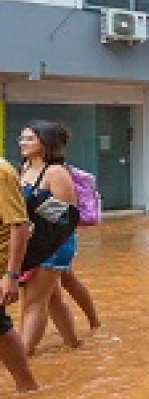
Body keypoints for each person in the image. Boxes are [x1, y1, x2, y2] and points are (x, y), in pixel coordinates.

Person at [18, 122, 83, 356]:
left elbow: (67, 216)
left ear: (45, 144)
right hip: (32, 242)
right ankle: (74, 345)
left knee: (33, 303)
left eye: (29, 139)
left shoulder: (55, 172)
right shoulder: (24, 168)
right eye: (22, 138)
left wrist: (34, 209)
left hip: (54, 243)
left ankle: (23, 356)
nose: (22, 143)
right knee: (53, 298)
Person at [0, 155, 37, 392]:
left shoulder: (1, 172)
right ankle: (27, 387)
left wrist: (11, 275)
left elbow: (19, 224)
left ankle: (27, 385)